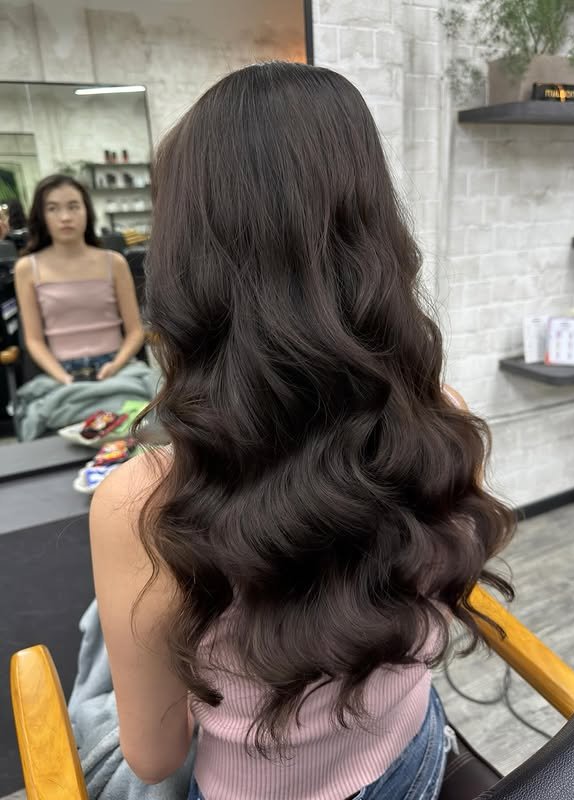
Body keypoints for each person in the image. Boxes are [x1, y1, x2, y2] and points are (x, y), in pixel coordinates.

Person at [90, 62, 515, 800]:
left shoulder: (141, 504)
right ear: (374, 229)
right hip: (414, 754)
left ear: (186, 259)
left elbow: (154, 759)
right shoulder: (439, 420)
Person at [13, 175, 144, 385]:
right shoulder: (27, 269)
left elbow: (135, 331)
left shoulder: (115, 263)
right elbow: (34, 340)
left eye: (73, 206)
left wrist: (116, 366)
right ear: (42, 216)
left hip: (118, 368)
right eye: (53, 208)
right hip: (59, 374)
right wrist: (64, 378)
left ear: (87, 211)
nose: (65, 217)